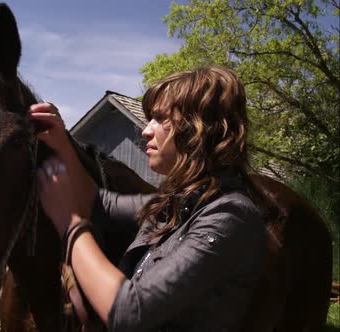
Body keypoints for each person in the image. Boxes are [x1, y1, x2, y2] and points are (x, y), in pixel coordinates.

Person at [28, 65, 266, 331]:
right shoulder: (176, 202)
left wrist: (70, 225)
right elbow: (98, 204)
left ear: (199, 128)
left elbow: (130, 313)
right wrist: (63, 143)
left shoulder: (229, 216)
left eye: (160, 118)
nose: (146, 130)